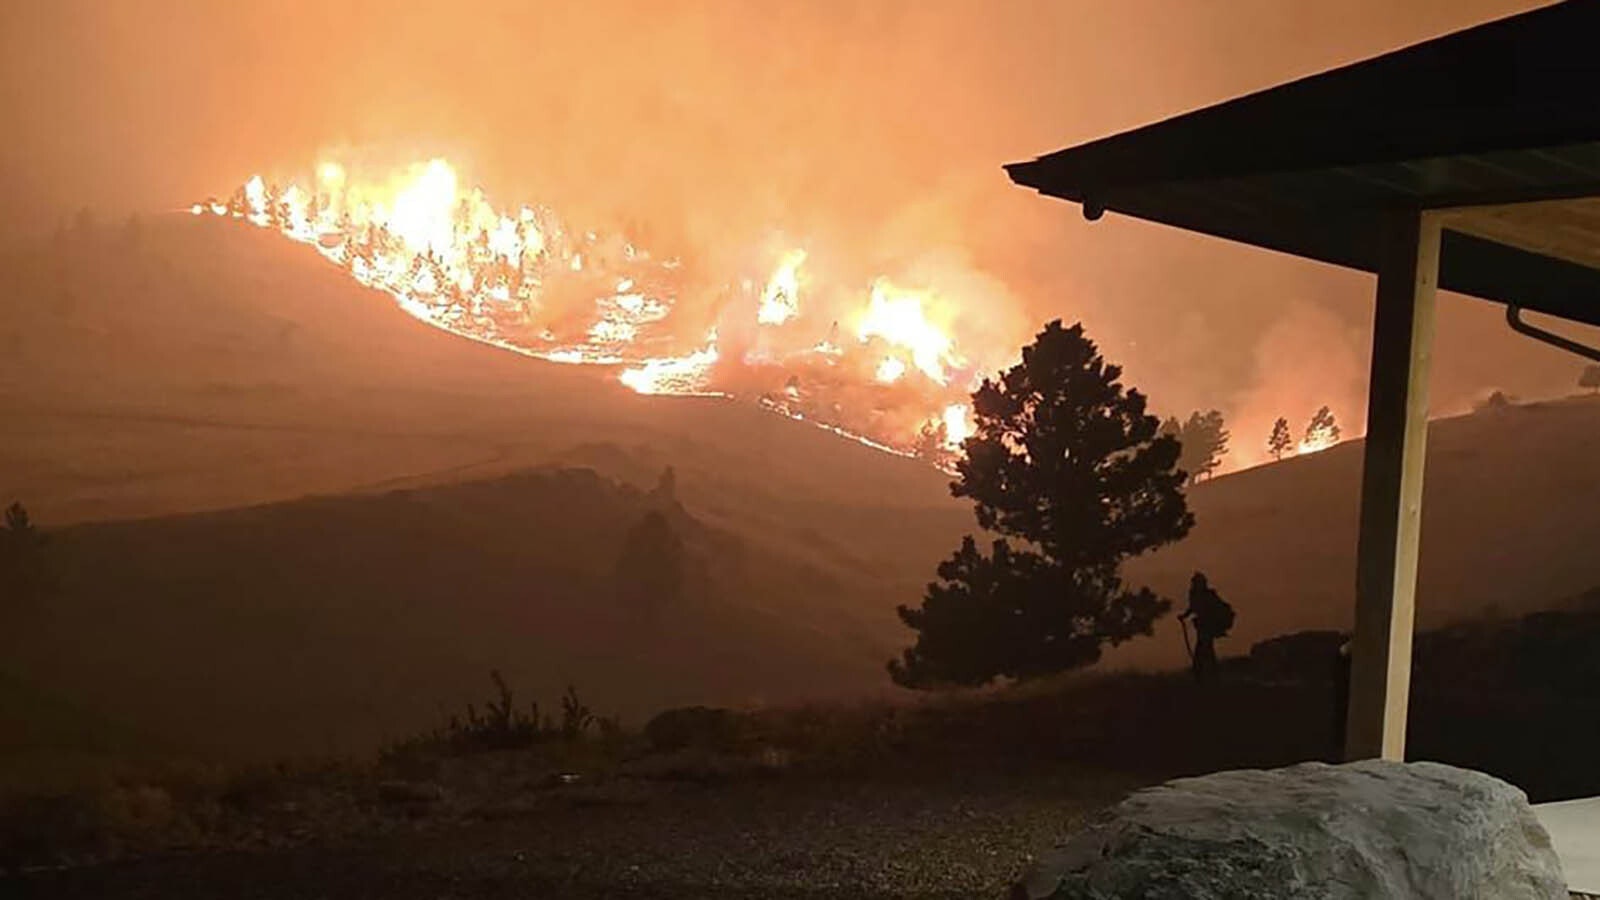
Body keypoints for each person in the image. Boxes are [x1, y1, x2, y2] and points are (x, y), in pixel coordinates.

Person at [1179, 572, 1234, 684]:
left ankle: (1203, 674)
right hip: (1203, 627)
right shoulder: (1196, 595)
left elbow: (1208, 610)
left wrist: (1187, 616)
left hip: (1207, 627)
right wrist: (1184, 616)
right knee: (1205, 649)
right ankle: (1205, 674)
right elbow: (1193, 608)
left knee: (1204, 650)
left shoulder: (1208, 596)